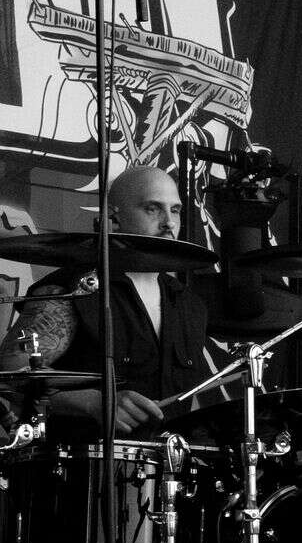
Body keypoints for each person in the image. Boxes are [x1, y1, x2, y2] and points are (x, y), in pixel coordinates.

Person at [1, 164, 211, 431]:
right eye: (152, 208)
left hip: (168, 455)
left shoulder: (189, 304)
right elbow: (9, 373)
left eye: (175, 210)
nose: (169, 222)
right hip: (82, 454)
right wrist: (91, 402)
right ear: (114, 217)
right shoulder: (76, 289)